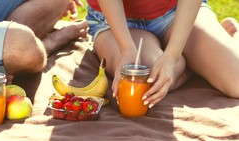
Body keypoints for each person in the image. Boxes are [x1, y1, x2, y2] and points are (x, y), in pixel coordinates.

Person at [86, 0, 239, 108]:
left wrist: (172, 55)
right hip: (116, 21)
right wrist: (126, 48)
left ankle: (232, 36)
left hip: (176, 13)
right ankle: (189, 63)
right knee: (142, 88)